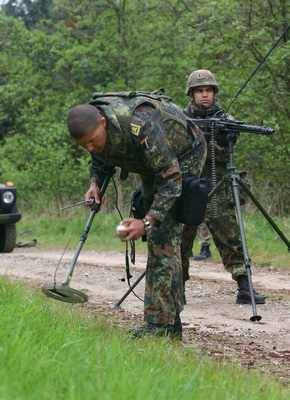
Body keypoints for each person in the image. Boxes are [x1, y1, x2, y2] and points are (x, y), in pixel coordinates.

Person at [66, 92, 207, 339]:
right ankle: (167, 323)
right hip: (154, 163)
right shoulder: (97, 130)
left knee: (162, 236)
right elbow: (101, 158)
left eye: (92, 141)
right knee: (159, 239)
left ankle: (161, 327)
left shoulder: (140, 124)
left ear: (103, 123)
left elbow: (170, 177)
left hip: (184, 155)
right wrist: (95, 183)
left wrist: (147, 221)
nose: (90, 147)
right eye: (83, 145)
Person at [181, 70, 266, 305]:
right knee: (181, 239)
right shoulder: (179, 119)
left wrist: (215, 140)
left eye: (208, 90)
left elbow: (227, 154)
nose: (205, 95)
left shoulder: (224, 118)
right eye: (200, 91)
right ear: (192, 94)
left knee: (231, 236)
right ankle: (177, 288)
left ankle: (244, 286)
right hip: (188, 187)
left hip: (216, 187)